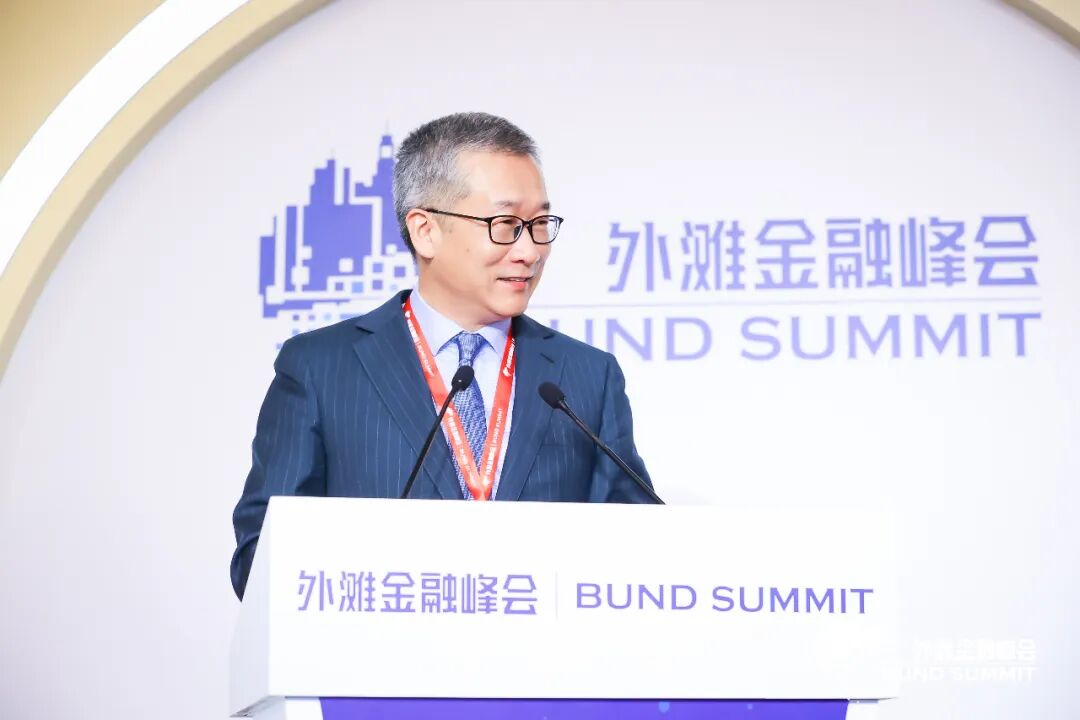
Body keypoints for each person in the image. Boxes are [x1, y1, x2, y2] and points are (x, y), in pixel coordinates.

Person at [230, 112, 654, 599]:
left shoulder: (586, 376)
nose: (530, 251)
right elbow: (260, 559)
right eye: (505, 224)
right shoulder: (320, 368)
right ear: (425, 231)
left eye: (539, 224)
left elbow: (639, 552)